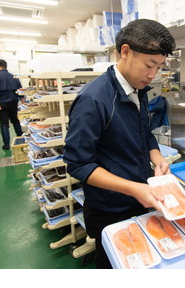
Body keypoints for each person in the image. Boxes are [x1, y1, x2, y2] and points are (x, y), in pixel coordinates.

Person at [63, 19, 176, 269]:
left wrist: (157, 159)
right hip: (109, 208)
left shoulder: (139, 90)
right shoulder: (93, 100)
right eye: (149, 65)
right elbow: (78, 164)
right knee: (114, 264)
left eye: (159, 67)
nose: (152, 75)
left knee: (141, 260)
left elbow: (144, 133)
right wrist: (134, 188)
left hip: (140, 198)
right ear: (125, 52)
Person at [0, 59, 24, 150]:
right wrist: (23, 103)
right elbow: (21, 91)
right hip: (13, 102)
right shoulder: (14, 77)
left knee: (4, 123)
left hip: (1, 104)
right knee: (15, 120)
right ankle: (21, 138)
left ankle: (6, 144)